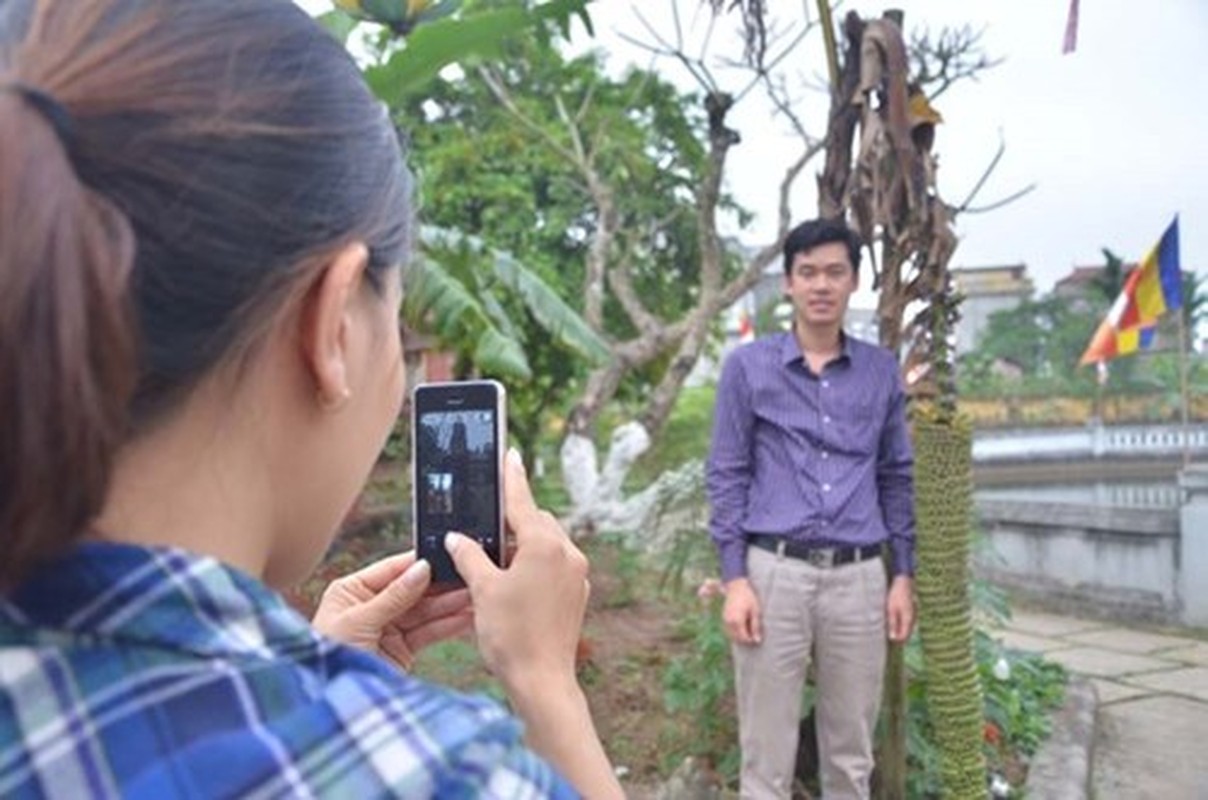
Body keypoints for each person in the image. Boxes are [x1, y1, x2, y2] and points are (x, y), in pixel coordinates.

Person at [0, 1, 623, 797]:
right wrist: (543, 681)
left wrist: (295, 667)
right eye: (392, 323)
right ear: (331, 326)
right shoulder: (435, 775)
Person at [705, 218, 917, 800]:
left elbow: (896, 476)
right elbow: (727, 474)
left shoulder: (880, 371)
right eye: (808, 273)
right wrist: (735, 581)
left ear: (854, 282)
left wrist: (902, 576)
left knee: (851, 758)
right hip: (774, 574)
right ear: (790, 284)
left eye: (834, 272)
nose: (821, 284)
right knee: (766, 760)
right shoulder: (747, 369)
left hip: (859, 579)